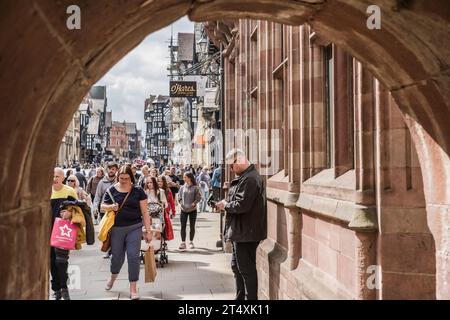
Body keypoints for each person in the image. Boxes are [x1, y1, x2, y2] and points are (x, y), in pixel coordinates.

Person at [215, 149, 267, 300]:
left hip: (247, 233)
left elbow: (242, 205)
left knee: (246, 270)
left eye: (231, 166)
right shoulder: (245, 177)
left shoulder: (250, 178)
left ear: (239, 160)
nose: (231, 169)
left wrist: (226, 205)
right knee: (237, 267)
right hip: (241, 231)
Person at [101, 166, 152, 300]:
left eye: (126, 178)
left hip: (134, 227)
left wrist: (148, 231)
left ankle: (133, 289)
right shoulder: (111, 190)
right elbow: (102, 206)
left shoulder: (138, 191)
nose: (123, 181)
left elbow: (145, 212)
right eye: (121, 178)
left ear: (131, 177)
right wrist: (111, 207)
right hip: (117, 229)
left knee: (133, 257)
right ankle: (113, 276)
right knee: (117, 258)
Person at [50, 167, 78, 300]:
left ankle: (64, 287)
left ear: (62, 178)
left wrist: (70, 213)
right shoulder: (46, 192)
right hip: (48, 231)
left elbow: (78, 210)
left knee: (61, 261)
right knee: (51, 261)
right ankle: (56, 289)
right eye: (53, 176)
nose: (54, 179)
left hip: (63, 232)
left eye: (57, 176)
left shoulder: (69, 191)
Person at [177, 172, 202, 250]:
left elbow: (199, 197)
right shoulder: (182, 188)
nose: (184, 179)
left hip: (192, 210)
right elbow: (179, 197)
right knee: (183, 226)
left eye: (185, 177)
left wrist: (194, 203)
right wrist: (181, 204)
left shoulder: (195, 187)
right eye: (183, 177)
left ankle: (191, 242)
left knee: (192, 226)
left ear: (190, 178)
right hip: (183, 209)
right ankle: (183, 242)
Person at [158, 176, 175, 241]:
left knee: (164, 226)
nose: (159, 183)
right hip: (156, 211)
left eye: (161, 181)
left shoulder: (168, 190)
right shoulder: (154, 190)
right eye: (158, 181)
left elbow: (172, 202)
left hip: (165, 211)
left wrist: (173, 212)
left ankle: (164, 240)